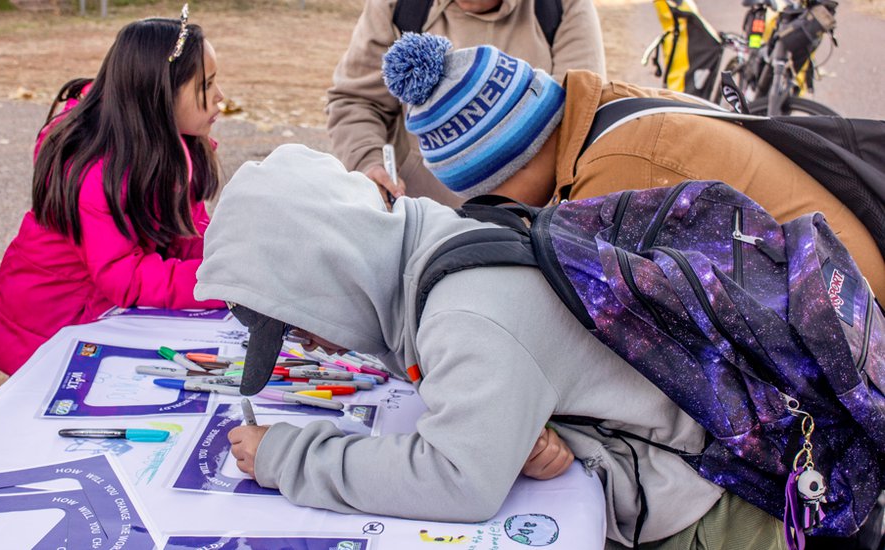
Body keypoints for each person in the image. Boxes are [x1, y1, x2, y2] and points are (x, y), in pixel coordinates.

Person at [194, 144, 784, 549]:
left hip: (713, 513)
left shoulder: (464, 314)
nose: (318, 345)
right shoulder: (439, 238)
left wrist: (288, 458)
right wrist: (539, 435)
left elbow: (457, 480)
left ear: (328, 276)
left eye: (300, 325)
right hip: (692, 472)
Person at [382, 33, 885, 299]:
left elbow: (615, 334)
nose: (501, 208)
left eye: (492, 193)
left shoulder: (616, 169)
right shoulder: (609, 110)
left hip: (854, 326)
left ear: (516, 151)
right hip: (840, 289)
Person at [0, 6, 226, 375]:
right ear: (160, 92)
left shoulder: (175, 145)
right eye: (205, 85)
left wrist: (234, 260)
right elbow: (123, 275)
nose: (221, 96)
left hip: (98, 316)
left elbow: (186, 232)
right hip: (51, 325)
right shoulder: (97, 169)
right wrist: (219, 284)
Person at [325, 0, 605, 208]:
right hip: (420, 219)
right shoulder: (399, 6)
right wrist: (368, 162)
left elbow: (579, 114)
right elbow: (356, 100)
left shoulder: (562, 7)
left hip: (527, 227)